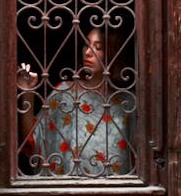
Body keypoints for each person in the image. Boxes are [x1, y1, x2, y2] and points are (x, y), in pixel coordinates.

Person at [17, 27, 136, 177]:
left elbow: (139, 153)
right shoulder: (64, 93)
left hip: (114, 193)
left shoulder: (126, 101)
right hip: (66, 191)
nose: (87, 52)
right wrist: (27, 93)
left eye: (98, 47)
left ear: (113, 52)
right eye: (86, 45)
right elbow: (33, 140)